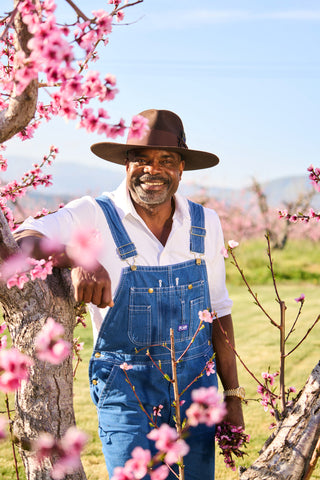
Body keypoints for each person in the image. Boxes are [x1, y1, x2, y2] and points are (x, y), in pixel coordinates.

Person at [14, 109, 244, 479]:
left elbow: (218, 310)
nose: (152, 170)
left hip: (197, 391)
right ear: (126, 163)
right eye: (141, 158)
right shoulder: (95, 215)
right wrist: (79, 258)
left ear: (182, 167)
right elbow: (23, 237)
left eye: (165, 160)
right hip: (125, 391)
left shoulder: (206, 223)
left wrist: (232, 396)